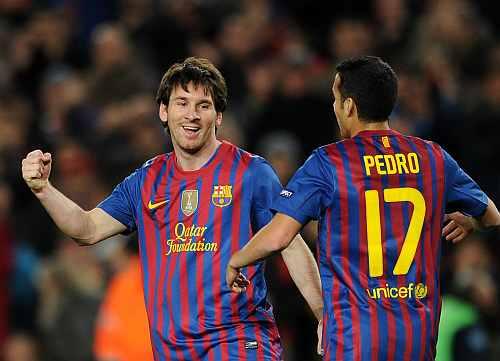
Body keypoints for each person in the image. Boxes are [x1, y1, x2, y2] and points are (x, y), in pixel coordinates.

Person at [21, 57, 323, 360]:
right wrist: (43, 189)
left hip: (238, 342)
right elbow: (86, 229)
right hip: (172, 351)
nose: (191, 115)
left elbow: (291, 243)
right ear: (164, 112)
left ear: (218, 116)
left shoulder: (251, 173)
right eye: (182, 103)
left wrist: (324, 316)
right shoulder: (146, 181)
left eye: (203, 105)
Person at [226, 56, 500, 360]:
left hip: (355, 339)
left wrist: (237, 259)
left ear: (349, 106)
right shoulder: (431, 157)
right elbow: (491, 215)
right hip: (417, 339)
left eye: (335, 98)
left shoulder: (328, 163)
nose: (334, 107)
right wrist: (470, 222)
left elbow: (279, 236)